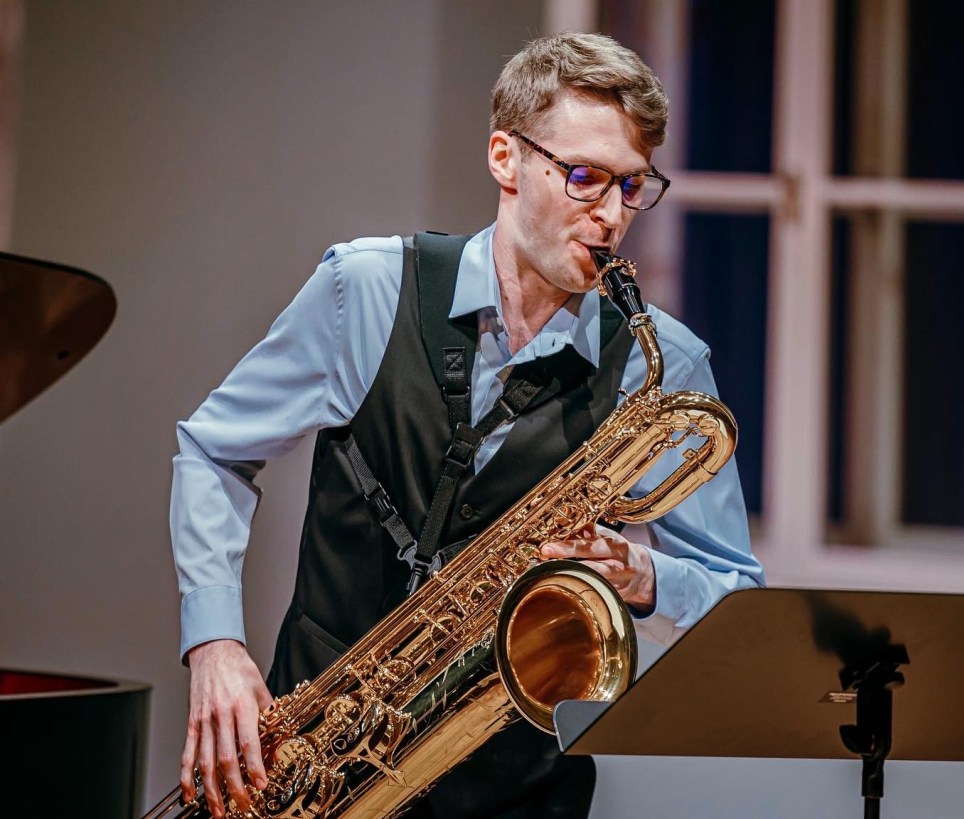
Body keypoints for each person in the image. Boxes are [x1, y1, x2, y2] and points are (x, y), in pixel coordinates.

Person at [170, 32, 764, 819]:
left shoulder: (664, 362)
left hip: (517, 790)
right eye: (585, 178)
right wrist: (214, 642)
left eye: (633, 186)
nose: (614, 216)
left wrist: (641, 575)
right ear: (505, 159)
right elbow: (212, 450)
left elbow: (735, 594)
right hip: (314, 769)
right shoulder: (368, 288)